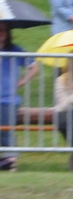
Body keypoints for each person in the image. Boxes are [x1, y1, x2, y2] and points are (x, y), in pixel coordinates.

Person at [0, 23, 36, 171]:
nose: (1, 33)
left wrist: (21, 82)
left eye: (3, 30)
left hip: (8, 99)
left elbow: (34, 66)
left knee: (7, 131)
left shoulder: (15, 50)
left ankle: (11, 162)